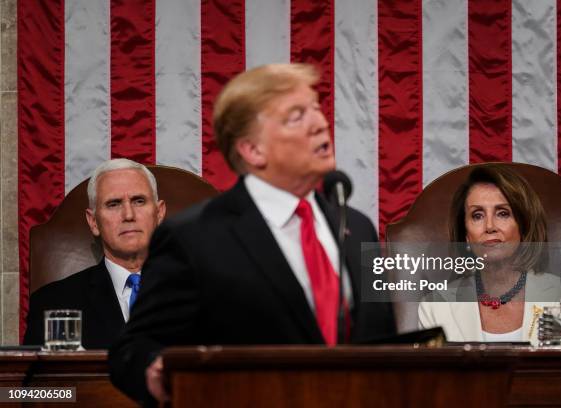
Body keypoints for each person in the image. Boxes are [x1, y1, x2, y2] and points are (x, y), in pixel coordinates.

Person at [108, 63, 396, 404]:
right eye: (296, 116)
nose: (320, 123)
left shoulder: (357, 227)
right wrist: (156, 370)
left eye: (317, 108)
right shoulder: (194, 237)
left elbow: (383, 343)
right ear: (252, 150)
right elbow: (133, 348)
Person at [418, 164, 561, 343]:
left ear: (524, 225)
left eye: (503, 213)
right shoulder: (435, 307)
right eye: (477, 215)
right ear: (466, 235)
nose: (490, 226)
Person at [23, 158, 166, 349]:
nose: (129, 215)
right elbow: (44, 380)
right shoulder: (52, 304)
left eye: (139, 201)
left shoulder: (203, 293)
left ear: (159, 213)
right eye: (114, 204)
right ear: (93, 222)